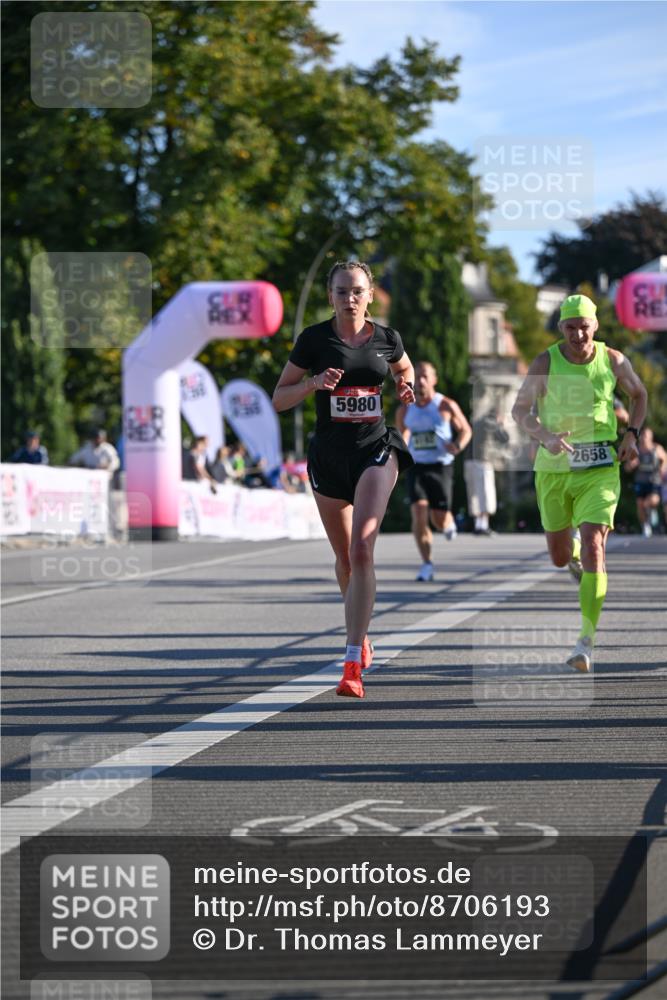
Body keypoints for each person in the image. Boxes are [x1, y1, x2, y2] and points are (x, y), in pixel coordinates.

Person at [272, 260, 415, 699]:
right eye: (340, 291)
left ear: (370, 294)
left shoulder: (387, 338)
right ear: (330, 296)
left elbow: (404, 370)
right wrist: (314, 383)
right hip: (329, 456)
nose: (349, 298)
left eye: (357, 291)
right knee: (346, 561)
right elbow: (279, 399)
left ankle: (352, 661)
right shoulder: (314, 339)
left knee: (362, 547)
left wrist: (406, 388)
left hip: (375, 448)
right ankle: (363, 635)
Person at [511, 293, 647, 672]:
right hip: (554, 469)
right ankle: (571, 555)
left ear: (595, 325)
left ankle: (585, 640)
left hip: (601, 468)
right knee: (559, 556)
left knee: (594, 546)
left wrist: (632, 434)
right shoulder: (546, 362)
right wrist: (545, 436)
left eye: (583, 326)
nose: (578, 334)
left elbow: (639, 395)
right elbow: (519, 410)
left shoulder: (613, 360)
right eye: (570, 327)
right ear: (561, 328)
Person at [396, 361, 471, 581]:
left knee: (438, 519)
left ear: (434, 380)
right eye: (417, 376)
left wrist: (457, 445)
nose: (421, 381)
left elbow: (466, 430)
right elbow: (403, 435)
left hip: (441, 465)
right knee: (418, 513)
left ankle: (447, 523)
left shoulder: (445, 405)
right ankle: (427, 563)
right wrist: (400, 453)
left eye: (425, 377)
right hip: (417, 467)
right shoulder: (404, 409)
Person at [463, 408, 510, 535]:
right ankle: (484, 525)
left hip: (468, 460)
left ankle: (477, 525)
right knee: (485, 493)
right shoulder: (492, 423)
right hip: (482, 461)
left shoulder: (477, 422)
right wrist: (502, 424)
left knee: (473, 493)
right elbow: (504, 438)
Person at [624, 426, 666, 537]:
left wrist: (662, 468)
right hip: (640, 482)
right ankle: (645, 525)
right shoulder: (636, 450)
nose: (643, 438)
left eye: (646, 436)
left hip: (654, 482)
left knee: (649, 502)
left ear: (651, 437)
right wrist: (631, 465)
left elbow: (665, 459)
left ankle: (652, 512)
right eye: (642, 435)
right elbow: (627, 468)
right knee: (640, 505)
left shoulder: (656, 449)